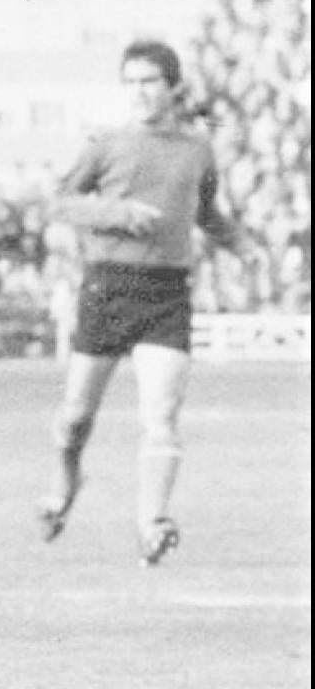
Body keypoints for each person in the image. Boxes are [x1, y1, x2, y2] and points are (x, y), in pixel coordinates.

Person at [39, 38, 245, 566]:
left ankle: (151, 522)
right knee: (76, 417)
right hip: (108, 286)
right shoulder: (106, 143)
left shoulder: (198, 147)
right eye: (130, 82)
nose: (139, 92)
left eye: (149, 81)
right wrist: (115, 212)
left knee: (162, 416)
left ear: (172, 87)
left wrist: (239, 244)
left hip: (166, 291)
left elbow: (204, 210)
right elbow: (58, 203)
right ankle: (68, 478)